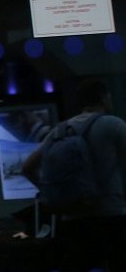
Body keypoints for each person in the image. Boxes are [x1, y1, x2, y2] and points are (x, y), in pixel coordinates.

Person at [23, 79, 126, 271]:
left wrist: (49, 192)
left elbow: (27, 167)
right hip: (110, 213)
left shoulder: (61, 130)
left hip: (72, 216)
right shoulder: (113, 124)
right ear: (104, 98)